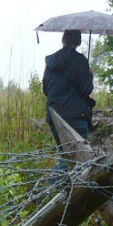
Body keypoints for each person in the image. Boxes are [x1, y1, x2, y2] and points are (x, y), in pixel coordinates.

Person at [42, 29, 95, 176]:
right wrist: (90, 75)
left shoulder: (51, 62)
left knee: (66, 155)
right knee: (79, 158)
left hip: (54, 114)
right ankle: (57, 188)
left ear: (63, 40)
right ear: (78, 41)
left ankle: (58, 189)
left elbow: (46, 89)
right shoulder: (80, 61)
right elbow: (87, 89)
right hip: (76, 115)